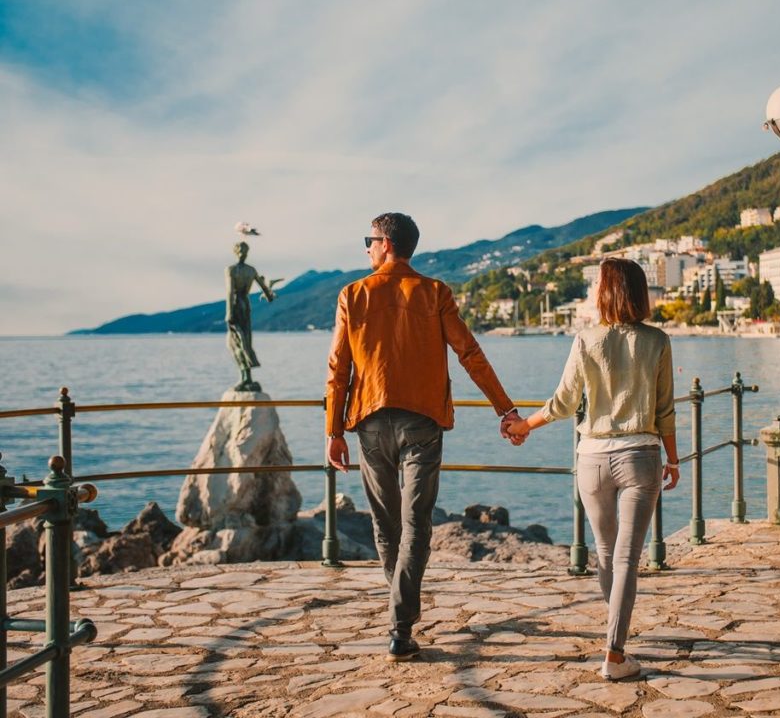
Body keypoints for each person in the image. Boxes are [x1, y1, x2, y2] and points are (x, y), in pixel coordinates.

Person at [325, 212, 526, 662]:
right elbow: (470, 354)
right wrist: (505, 409)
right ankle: (401, 625)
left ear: (386, 245)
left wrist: (333, 431)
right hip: (422, 424)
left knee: (385, 523)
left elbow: (339, 370)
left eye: (369, 240)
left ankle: (400, 618)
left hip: (371, 423)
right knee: (417, 525)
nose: (366, 248)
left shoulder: (353, 294)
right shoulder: (435, 293)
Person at [504, 258, 680, 680]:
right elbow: (665, 411)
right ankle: (615, 652)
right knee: (627, 560)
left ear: (604, 292)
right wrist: (673, 459)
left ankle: (615, 635)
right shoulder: (657, 341)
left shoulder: (586, 339)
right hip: (640, 456)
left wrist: (524, 426)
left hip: (593, 458)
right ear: (639, 292)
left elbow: (564, 402)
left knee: (606, 555)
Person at [226, 241, 277, 392]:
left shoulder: (231, 270)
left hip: (236, 305)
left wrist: (229, 312)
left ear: (236, 252)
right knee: (245, 340)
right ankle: (247, 376)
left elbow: (230, 291)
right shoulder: (251, 270)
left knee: (234, 343)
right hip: (246, 305)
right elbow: (267, 293)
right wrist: (269, 294)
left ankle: (244, 377)